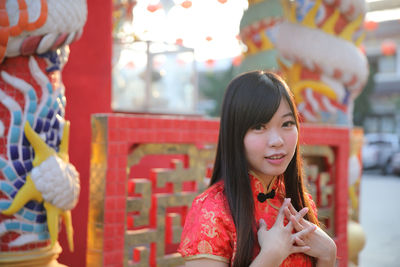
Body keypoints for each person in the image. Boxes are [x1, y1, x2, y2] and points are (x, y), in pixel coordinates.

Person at [178, 71, 337, 267]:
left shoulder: (298, 203)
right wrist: (270, 257)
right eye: (259, 127)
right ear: (235, 134)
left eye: (287, 124)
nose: (277, 141)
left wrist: (328, 254)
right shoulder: (212, 212)